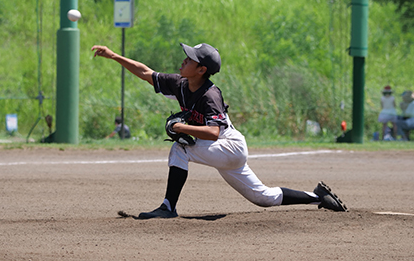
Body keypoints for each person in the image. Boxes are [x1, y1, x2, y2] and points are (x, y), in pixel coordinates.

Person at [91, 43, 347, 219]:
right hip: (220, 150)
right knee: (262, 197)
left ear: (202, 69)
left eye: (190, 59)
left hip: (229, 146)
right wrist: (114, 56)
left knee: (179, 146)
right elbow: (146, 72)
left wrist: (180, 127)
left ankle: (168, 207)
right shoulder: (180, 84)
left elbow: (213, 132)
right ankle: (318, 197)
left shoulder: (210, 94)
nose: (184, 59)